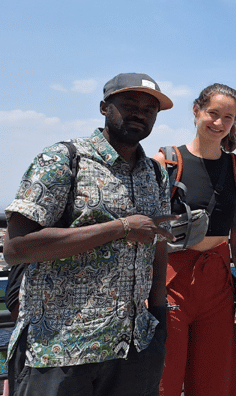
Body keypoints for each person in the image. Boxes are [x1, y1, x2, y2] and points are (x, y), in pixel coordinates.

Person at [4, 72, 177, 396]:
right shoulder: (63, 159)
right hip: (59, 348)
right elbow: (16, 249)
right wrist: (120, 227)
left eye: (149, 109)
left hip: (133, 346)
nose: (140, 113)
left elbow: (158, 245)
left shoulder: (155, 173)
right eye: (129, 104)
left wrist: (158, 317)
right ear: (104, 107)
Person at [156, 83, 236, 396]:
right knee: (163, 378)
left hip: (218, 281)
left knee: (214, 381)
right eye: (213, 113)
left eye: (228, 117)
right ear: (196, 111)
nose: (219, 123)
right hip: (171, 279)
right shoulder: (167, 163)